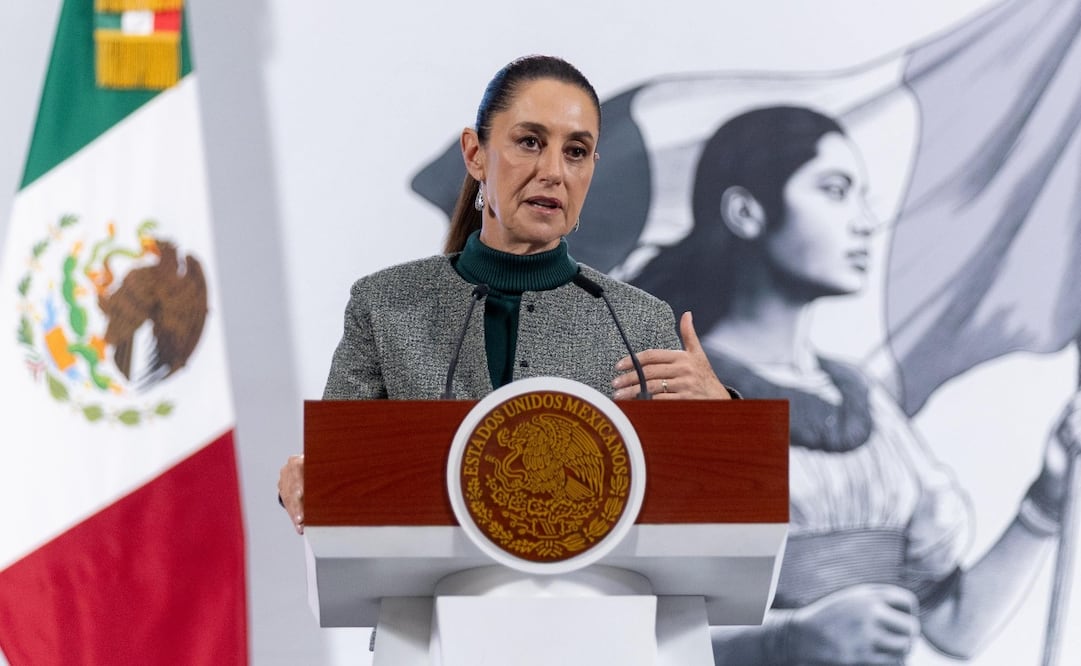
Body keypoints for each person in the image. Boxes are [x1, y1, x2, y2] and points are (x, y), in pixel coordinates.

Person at [631, 105, 1081, 664]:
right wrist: (786, 640)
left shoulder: (865, 401)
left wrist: (1047, 498)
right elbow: (637, 636)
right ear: (747, 212)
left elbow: (953, 626)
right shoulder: (681, 390)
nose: (866, 220)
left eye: (863, 194)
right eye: (835, 190)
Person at [278, 55, 735, 535]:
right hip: (429, 606)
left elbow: (709, 502)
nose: (554, 171)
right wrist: (305, 478)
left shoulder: (638, 322)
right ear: (475, 154)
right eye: (530, 142)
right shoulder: (386, 306)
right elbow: (332, 474)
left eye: (576, 151)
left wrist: (722, 420)